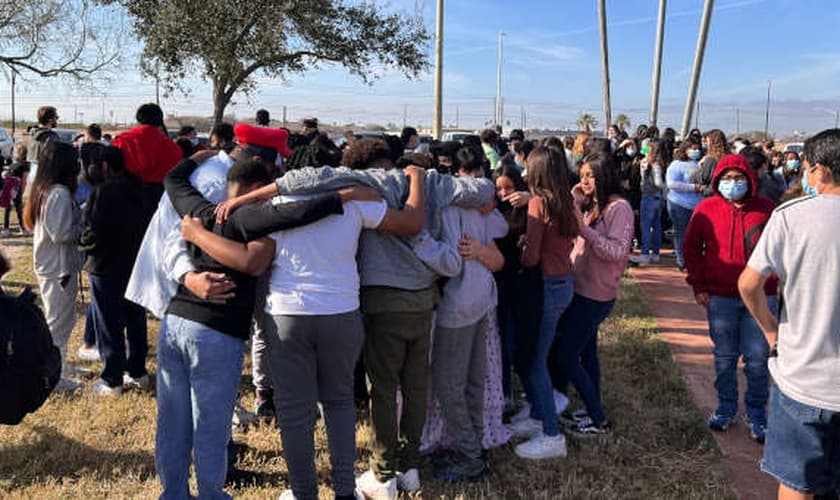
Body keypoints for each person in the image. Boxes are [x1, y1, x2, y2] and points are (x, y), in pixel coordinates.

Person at [216, 153, 496, 499]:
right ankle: (351, 489)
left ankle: (312, 491)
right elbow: (414, 221)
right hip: (349, 312)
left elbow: (253, 258)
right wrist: (412, 180)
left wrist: (211, 222)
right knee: (344, 401)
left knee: (298, 410)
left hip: (293, 314)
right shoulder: (357, 202)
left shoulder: (278, 207)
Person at [156, 152, 368, 500]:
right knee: (211, 424)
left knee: (172, 420)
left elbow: (173, 180)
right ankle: (210, 495)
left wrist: (200, 156)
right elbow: (297, 213)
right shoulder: (249, 216)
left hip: (175, 321)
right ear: (256, 189)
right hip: (216, 331)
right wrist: (342, 196)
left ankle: (174, 494)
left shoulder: (198, 209)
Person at [738, 128, 840, 500]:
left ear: (820, 170)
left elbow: (749, 284)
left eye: (807, 168)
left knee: (797, 484)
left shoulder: (791, 216)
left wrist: (770, 331)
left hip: (802, 378)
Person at [420, 148, 507, 480]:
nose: (470, 177)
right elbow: (500, 235)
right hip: (481, 298)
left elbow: (448, 260)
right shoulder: (481, 206)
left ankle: (470, 457)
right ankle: (475, 446)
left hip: (458, 303)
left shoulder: (444, 203)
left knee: (448, 383)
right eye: (465, 170)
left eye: (474, 170)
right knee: (471, 381)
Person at [683, 154, 778, 442]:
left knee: (758, 358)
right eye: (726, 178)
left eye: (738, 178)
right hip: (720, 297)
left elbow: (781, 250)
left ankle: (757, 413)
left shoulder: (767, 210)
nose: (732, 183)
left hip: (761, 298)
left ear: (750, 179)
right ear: (717, 181)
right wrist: (699, 285)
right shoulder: (706, 209)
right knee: (724, 356)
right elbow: (691, 249)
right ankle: (726, 407)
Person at [554, 152, 633, 437]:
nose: (584, 181)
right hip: (579, 288)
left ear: (604, 175)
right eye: (582, 176)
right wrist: (575, 200)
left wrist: (584, 228)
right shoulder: (593, 205)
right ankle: (592, 407)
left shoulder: (619, 208)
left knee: (566, 355)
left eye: (590, 175)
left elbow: (616, 251)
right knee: (587, 353)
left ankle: (599, 419)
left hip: (596, 294)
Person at [507, 146, 579, 459]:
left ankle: (551, 433)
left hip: (545, 286)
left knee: (536, 362)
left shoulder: (538, 203)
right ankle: (538, 415)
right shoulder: (566, 200)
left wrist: (522, 249)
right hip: (564, 283)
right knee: (540, 355)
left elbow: (533, 257)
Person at [78, 146, 149, 396]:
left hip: (105, 265)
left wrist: (83, 243)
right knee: (136, 318)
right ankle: (137, 371)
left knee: (109, 323)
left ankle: (112, 379)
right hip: (135, 263)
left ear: (105, 167)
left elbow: (93, 230)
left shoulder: (103, 192)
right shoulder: (140, 187)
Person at [21, 141, 82, 392]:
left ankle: (61, 365)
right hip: (59, 268)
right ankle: (52, 377)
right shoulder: (58, 193)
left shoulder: (45, 190)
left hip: (53, 265)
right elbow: (61, 233)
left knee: (62, 319)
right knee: (58, 322)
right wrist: (84, 226)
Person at [111, 103, 183, 227]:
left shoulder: (122, 141)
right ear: (159, 120)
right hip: (161, 199)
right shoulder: (173, 148)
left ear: (139, 118)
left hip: (125, 196)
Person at [665, 138, 704, 271]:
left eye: (697, 148)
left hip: (695, 204)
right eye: (693, 148)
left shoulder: (697, 163)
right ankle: (682, 261)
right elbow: (671, 184)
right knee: (681, 232)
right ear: (685, 149)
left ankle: (693, 259)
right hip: (679, 203)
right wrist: (693, 187)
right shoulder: (676, 165)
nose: (696, 151)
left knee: (694, 235)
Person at [630, 138, 666, 265]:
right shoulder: (657, 164)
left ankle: (645, 253)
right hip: (657, 198)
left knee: (645, 226)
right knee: (656, 226)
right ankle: (655, 253)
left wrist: (664, 186)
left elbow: (657, 182)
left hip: (648, 197)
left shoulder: (650, 164)